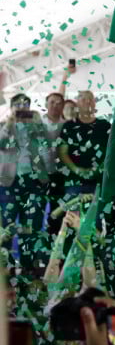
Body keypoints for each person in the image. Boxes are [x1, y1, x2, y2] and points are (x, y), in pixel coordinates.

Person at [0, 93, 50, 270]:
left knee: (31, 225)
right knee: (7, 225)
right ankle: (5, 268)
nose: (22, 107)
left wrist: (38, 126)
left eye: (25, 105)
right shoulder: (3, 125)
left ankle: (28, 268)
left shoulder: (36, 126)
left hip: (33, 181)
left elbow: (46, 147)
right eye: (18, 104)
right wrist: (9, 122)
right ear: (11, 107)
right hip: (9, 182)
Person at [41, 92, 67, 236]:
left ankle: (54, 240)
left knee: (57, 211)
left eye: (59, 103)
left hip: (59, 175)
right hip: (38, 174)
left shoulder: (67, 125)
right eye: (52, 102)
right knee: (36, 211)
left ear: (63, 106)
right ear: (46, 104)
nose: (55, 105)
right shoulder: (36, 124)